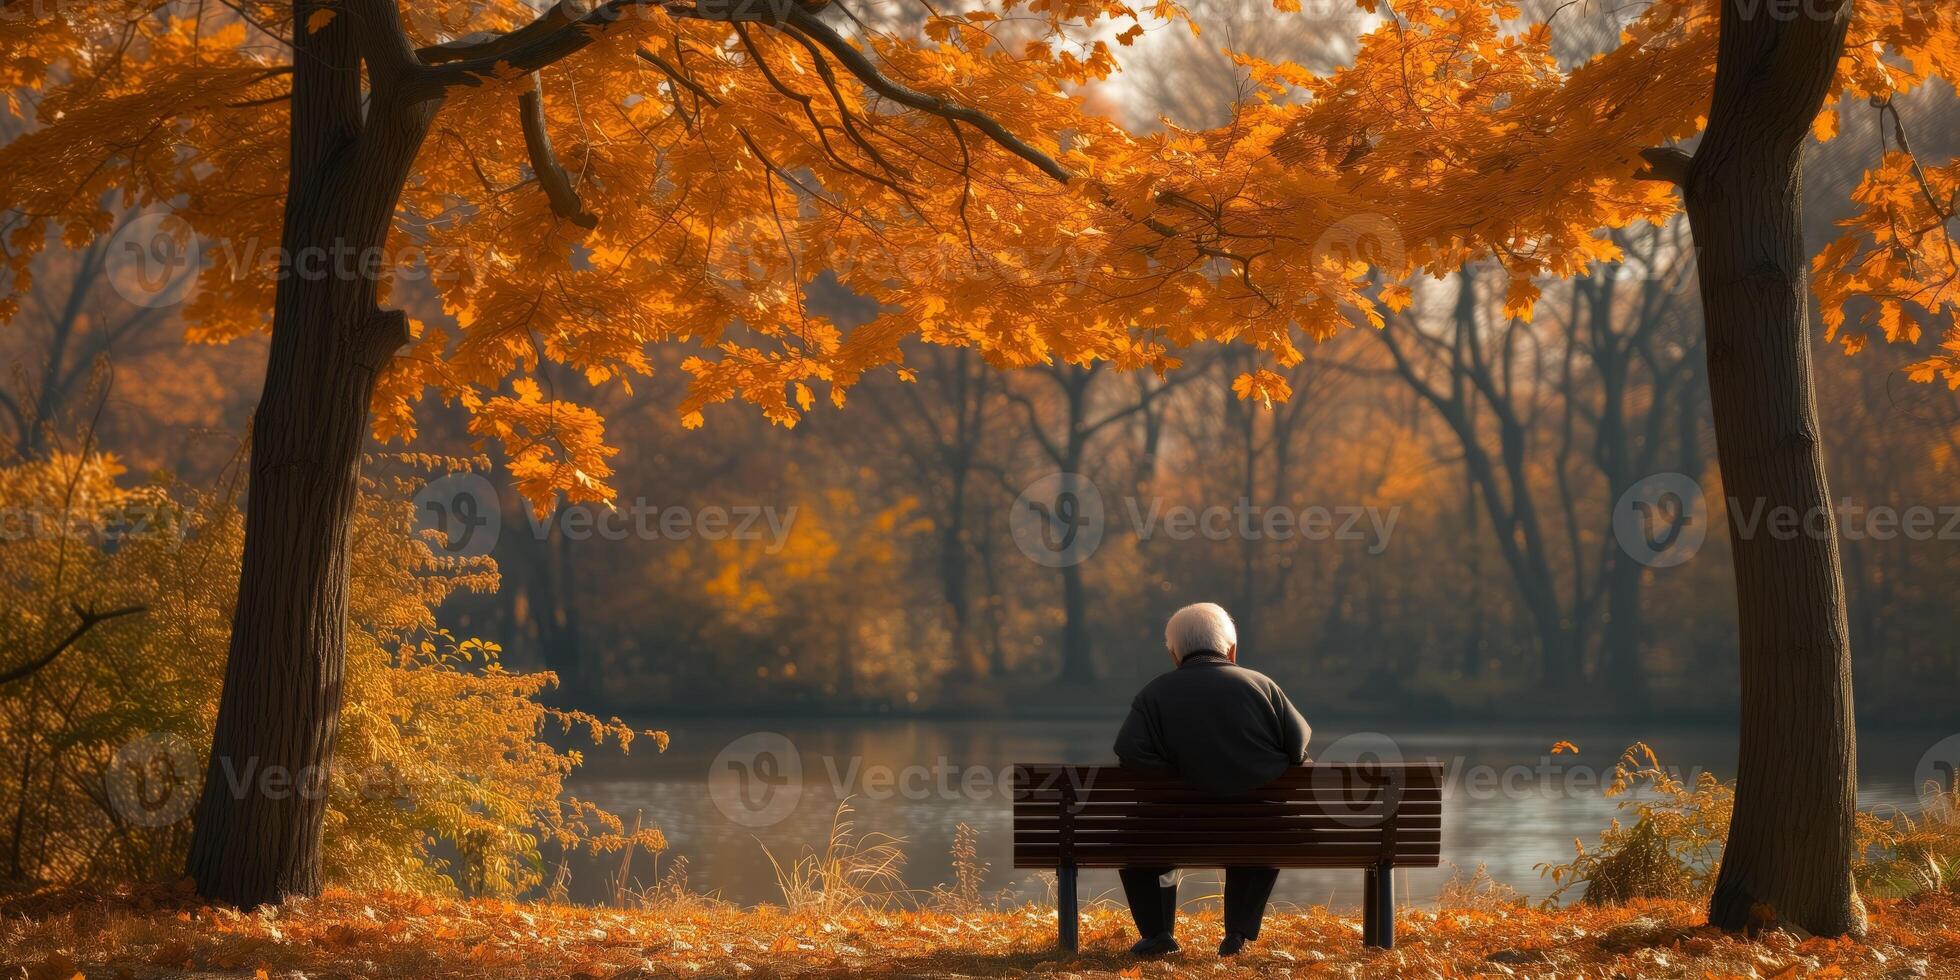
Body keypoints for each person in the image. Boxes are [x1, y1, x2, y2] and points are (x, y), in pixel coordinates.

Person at [1111, 602, 1312, 957]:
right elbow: (1297, 747)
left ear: (1175, 654)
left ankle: (1158, 934)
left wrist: (1178, 780)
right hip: (1255, 830)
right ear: (1231, 650)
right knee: (1262, 830)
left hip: (1174, 829)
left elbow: (1129, 751)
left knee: (1137, 839)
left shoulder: (1154, 694)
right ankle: (1237, 934)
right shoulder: (1262, 686)